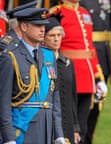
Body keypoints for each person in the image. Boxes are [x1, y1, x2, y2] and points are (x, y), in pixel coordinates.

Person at [0, 7, 66, 144]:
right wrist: (8, 138)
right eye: (37, 25)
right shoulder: (10, 57)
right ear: (24, 26)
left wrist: (58, 133)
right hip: (23, 131)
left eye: (43, 25)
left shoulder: (49, 56)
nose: (42, 29)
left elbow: (55, 97)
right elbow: (3, 102)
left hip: (47, 130)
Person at [49, 0, 108, 143]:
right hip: (67, 73)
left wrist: (97, 76)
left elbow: (89, 48)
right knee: (68, 126)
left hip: (86, 77)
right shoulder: (56, 13)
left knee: (83, 126)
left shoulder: (84, 13)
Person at [43, 12, 81, 144]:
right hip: (47, 123)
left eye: (59, 35)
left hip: (68, 123)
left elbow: (72, 98)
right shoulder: (40, 62)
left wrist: (75, 127)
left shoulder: (67, 63)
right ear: (44, 38)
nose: (56, 39)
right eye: (52, 35)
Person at [79, 0, 111, 143]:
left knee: (97, 107)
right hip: (87, 58)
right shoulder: (82, 2)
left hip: (103, 57)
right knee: (85, 111)